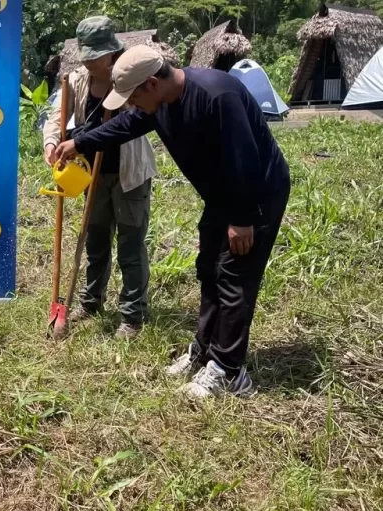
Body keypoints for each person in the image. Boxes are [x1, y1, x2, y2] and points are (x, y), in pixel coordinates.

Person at [52, 45, 290, 397]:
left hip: (255, 195)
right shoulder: (159, 102)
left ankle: (230, 371)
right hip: (222, 194)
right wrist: (80, 143)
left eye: (132, 96)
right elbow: (127, 124)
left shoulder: (216, 95)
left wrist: (242, 219)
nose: (131, 105)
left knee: (235, 276)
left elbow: (245, 158)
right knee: (209, 268)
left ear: (151, 83)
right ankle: (205, 351)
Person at [43, 16, 157, 337]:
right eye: (87, 56)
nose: (92, 62)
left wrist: (80, 137)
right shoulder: (77, 80)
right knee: (94, 240)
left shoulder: (130, 77)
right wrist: (52, 142)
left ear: (112, 52)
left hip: (129, 173)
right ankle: (91, 301)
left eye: (97, 56)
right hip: (91, 175)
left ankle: (133, 315)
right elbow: (56, 115)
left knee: (130, 244)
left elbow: (128, 125)